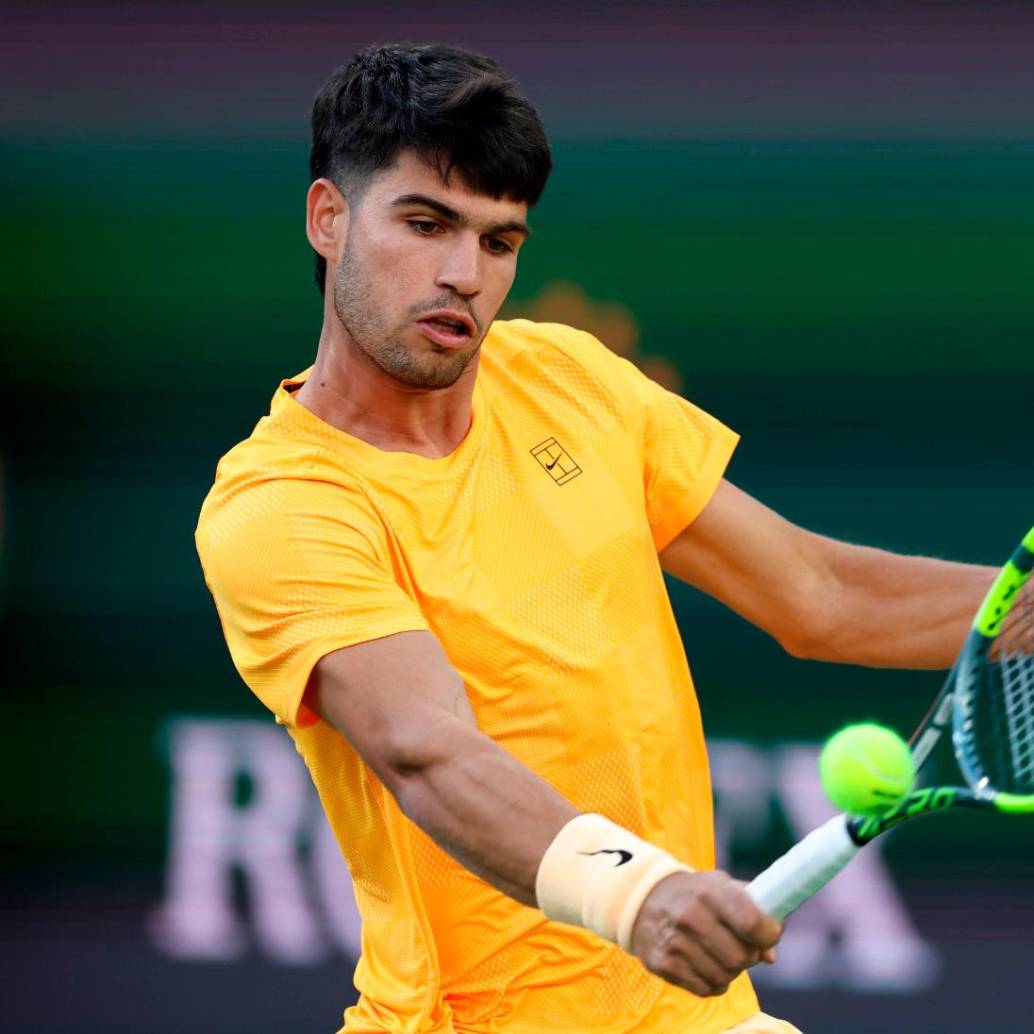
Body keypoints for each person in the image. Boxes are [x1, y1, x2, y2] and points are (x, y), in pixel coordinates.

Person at [195, 43, 995, 1034]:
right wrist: (640, 894)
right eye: (424, 222)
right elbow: (426, 748)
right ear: (328, 218)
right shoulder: (279, 501)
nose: (462, 274)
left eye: (498, 241)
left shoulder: (566, 375)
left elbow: (815, 593)